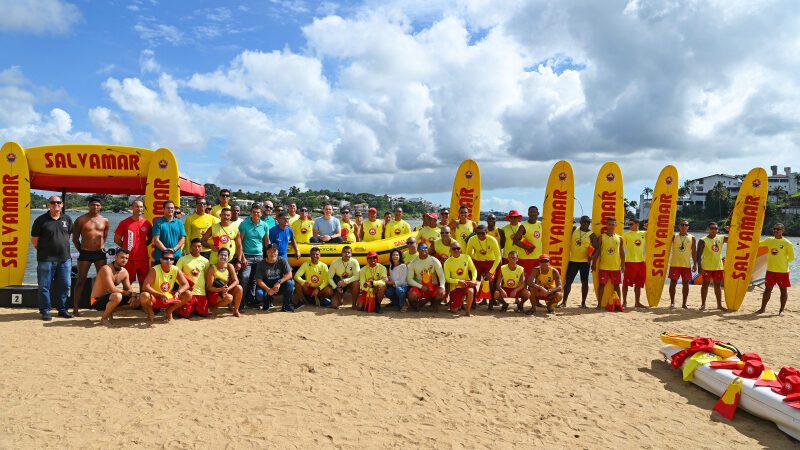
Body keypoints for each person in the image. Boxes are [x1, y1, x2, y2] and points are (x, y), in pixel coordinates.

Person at [31, 196, 73, 320]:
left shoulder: (67, 219)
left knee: (65, 285)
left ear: (62, 204)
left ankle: (62, 309)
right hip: (45, 259)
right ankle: (45, 311)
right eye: (53, 202)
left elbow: (69, 236)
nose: (56, 204)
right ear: (48, 204)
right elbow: (34, 241)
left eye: (58, 202)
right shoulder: (40, 220)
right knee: (44, 286)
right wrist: (46, 251)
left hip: (65, 259)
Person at [72, 197, 110, 316]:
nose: (95, 207)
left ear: (101, 207)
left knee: (104, 281)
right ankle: (75, 308)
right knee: (80, 281)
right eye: (93, 205)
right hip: (85, 253)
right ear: (89, 205)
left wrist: (101, 247)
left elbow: (104, 236)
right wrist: (82, 250)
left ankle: (104, 307)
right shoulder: (80, 220)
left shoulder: (105, 220)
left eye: (98, 205)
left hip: (100, 253)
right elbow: (75, 239)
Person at [139, 249, 192, 323]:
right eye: (166, 258)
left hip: (168, 297)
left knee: (188, 294)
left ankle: (169, 311)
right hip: (155, 297)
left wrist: (178, 292)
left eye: (171, 259)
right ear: (161, 260)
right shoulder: (154, 270)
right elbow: (145, 286)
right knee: (144, 295)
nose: (168, 261)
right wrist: (160, 295)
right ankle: (150, 312)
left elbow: (186, 284)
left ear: (173, 261)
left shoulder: (176, 269)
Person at [90, 249, 140, 326]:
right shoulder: (106, 269)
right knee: (117, 296)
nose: (124, 260)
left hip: (111, 298)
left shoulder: (124, 272)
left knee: (137, 299)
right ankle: (104, 318)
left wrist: (133, 295)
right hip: (96, 300)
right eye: (122, 257)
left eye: (126, 258)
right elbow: (111, 289)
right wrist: (130, 294)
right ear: (116, 257)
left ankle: (109, 310)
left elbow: (128, 288)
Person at [757, 223, 794, 316]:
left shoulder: (787, 243)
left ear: (783, 231)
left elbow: (792, 257)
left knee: (783, 290)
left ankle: (781, 310)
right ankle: (762, 309)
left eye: (778, 229)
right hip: (770, 270)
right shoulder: (769, 240)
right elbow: (757, 244)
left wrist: (783, 263)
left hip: (782, 271)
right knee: (767, 290)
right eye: (775, 228)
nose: (776, 230)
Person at [113, 199, 152, 285]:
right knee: (127, 283)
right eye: (137, 206)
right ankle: (128, 298)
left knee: (144, 283)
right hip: (129, 259)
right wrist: (125, 248)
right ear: (132, 208)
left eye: (141, 207)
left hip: (143, 259)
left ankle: (142, 298)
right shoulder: (124, 223)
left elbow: (151, 238)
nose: (139, 209)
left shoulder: (147, 223)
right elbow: (116, 239)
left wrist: (143, 246)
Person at [238, 204, 270, 307]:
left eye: (258, 212)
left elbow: (266, 241)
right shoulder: (244, 224)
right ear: (250, 213)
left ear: (261, 213)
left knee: (254, 280)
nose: (256, 214)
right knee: (244, 278)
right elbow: (239, 243)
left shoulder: (264, 225)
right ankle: (241, 302)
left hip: (259, 256)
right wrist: (242, 257)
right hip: (247, 255)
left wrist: (269, 255)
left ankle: (250, 301)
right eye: (254, 212)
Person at [592, 217, 624, 308]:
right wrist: (594, 263)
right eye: (609, 224)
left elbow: (622, 252)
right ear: (606, 225)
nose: (611, 226)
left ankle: (619, 303)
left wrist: (623, 264)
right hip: (604, 266)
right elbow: (597, 251)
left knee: (617, 285)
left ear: (616, 225)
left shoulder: (620, 238)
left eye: (613, 224)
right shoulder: (601, 237)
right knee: (601, 285)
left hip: (616, 267)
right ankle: (599, 304)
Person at [255, 244, 296, 312]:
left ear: (277, 252)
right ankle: (268, 300)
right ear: (266, 252)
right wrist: (268, 290)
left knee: (290, 284)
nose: (272, 253)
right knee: (259, 295)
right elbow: (258, 280)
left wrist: (278, 282)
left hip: (278, 286)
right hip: (267, 287)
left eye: (274, 251)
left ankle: (286, 305)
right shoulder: (261, 263)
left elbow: (289, 274)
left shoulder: (282, 260)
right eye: (270, 251)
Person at [406, 242, 446, 311]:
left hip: (433, 287)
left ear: (428, 249)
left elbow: (441, 276)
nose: (423, 250)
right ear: (418, 250)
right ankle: (417, 307)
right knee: (411, 295)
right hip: (420, 288)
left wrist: (442, 286)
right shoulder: (413, 263)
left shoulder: (434, 261)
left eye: (425, 248)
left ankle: (434, 304)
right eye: (421, 248)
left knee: (441, 292)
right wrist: (421, 287)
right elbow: (409, 279)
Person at [696, 222, 728, 311]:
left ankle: (719, 305)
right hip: (706, 267)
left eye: (716, 228)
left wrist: (730, 230)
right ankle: (703, 305)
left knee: (718, 285)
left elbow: (734, 238)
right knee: (705, 285)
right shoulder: (703, 240)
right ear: (708, 229)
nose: (714, 230)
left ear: (718, 230)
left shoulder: (721, 238)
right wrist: (699, 267)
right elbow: (698, 255)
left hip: (718, 267)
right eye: (712, 228)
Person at [176, 239, 210, 318]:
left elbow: (207, 277)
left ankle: (195, 308)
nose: (197, 248)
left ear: (202, 248)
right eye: (194, 246)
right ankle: (177, 308)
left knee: (204, 314)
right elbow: (176, 275)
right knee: (184, 314)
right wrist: (185, 286)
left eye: (199, 246)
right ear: (191, 247)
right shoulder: (183, 259)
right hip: (188, 293)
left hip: (201, 293)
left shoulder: (205, 261)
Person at [562, 216, 592, 308]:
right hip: (573, 260)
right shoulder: (574, 229)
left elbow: (597, 248)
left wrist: (592, 256)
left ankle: (583, 303)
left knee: (585, 282)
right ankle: (564, 302)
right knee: (568, 282)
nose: (586, 224)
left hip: (585, 262)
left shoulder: (591, 234)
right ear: (580, 222)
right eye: (584, 222)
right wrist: (571, 221)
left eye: (588, 222)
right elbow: (565, 228)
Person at [205, 248, 243, 317]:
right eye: (221, 255)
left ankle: (236, 310)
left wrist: (228, 288)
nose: (223, 257)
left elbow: (236, 281)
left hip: (225, 290)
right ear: (218, 256)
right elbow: (209, 287)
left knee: (239, 288)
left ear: (228, 257)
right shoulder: (212, 268)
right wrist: (221, 289)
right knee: (229, 298)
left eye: (225, 255)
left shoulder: (229, 266)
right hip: (214, 292)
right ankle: (214, 307)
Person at [668, 220, 697, 309]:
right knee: (673, 283)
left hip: (686, 265)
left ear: (688, 227)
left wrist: (695, 264)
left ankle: (684, 303)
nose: (684, 226)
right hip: (675, 264)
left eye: (686, 225)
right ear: (679, 226)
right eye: (682, 224)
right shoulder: (674, 236)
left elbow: (694, 252)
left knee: (686, 284)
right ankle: (672, 302)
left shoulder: (692, 238)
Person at [466, 225, 501, 297]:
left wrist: (491, 272)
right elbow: (468, 255)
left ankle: (491, 301)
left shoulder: (492, 240)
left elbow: (498, 257)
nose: (480, 235)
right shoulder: (472, 239)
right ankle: (474, 300)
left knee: (490, 280)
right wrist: (472, 265)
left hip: (490, 262)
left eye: (483, 233)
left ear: (486, 232)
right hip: (478, 262)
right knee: (473, 280)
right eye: (478, 233)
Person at [443, 241, 478, 316]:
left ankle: (468, 311)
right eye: (454, 249)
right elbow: (447, 278)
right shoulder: (447, 262)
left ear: (461, 249)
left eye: (458, 248)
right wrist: (458, 281)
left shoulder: (467, 257)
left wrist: (473, 280)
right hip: (455, 286)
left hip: (466, 283)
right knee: (454, 310)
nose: (456, 250)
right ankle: (460, 301)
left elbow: (474, 270)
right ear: (450, 250)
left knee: (471, 291)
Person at [512, 206, 543, 282]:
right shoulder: (523, 226)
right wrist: (527, 248)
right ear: (528, 214)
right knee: (525, 280)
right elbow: (515, 240)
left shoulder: (541, 224)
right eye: (531, 212)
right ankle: (524, 294)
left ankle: (534, 294)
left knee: (538, 279)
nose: (532, 214)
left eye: (534, 212)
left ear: (538, 213)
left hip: (538, 257)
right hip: (526, 258)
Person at [622, 218, 647, 308]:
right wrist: (622, 263)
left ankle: (637, 302)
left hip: (641, 262)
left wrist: (648, 227)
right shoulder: (626, 235)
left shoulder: (644, 233)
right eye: (629, 224)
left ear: (637, 224)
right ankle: (624, 302)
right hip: (629, 261)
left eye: (631, 224)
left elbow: (654, 234)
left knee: (639, 283)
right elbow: (621, 249)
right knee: (626, 283)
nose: (629, 226)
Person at [152, 200, 186, 265]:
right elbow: (156, 240)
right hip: (161, 256)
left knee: (176, 274)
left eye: (172, 208)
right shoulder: (158, 222)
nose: (170, 209)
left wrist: (173, 249)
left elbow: (183, 238)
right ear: (163, 209)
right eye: (168, 208)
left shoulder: (179, 223)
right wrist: (166, 251)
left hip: (176, 256)